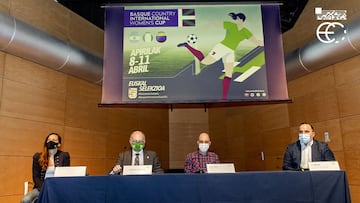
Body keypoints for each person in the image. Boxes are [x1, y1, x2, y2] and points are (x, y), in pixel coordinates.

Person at [177, 12, 263, 100]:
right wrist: (202, 28)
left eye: (237, 19)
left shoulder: (245, 31)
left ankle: (224, 98)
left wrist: (266, 42)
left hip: (230, 51)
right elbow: (214, 24)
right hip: (221, 47)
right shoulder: (231, 25)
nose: (236, 20)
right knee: (204, 61)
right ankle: (187, 45)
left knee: (229, 74)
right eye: (235, 19)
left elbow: (256, 42)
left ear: (242, 20)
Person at [21, 133, 70, 203]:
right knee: (25, 200)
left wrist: (52, 156)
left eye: (54, 140)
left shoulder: (64, 156)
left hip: (58, 188)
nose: (50, 141)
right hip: (41, 188)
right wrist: (44, 189)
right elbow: (36, 177)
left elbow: (65, 175)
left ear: (59, 144)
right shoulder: (37, 156)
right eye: (49, 140)